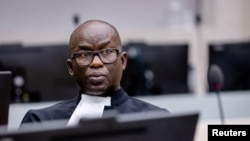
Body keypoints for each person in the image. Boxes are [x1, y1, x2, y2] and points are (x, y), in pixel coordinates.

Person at [21, 20, 169, 126]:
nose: (96, 62)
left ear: (123, 61)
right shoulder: (39, 122)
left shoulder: (156, 120)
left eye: (107, 52)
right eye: (84, 54)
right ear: (71, 67)